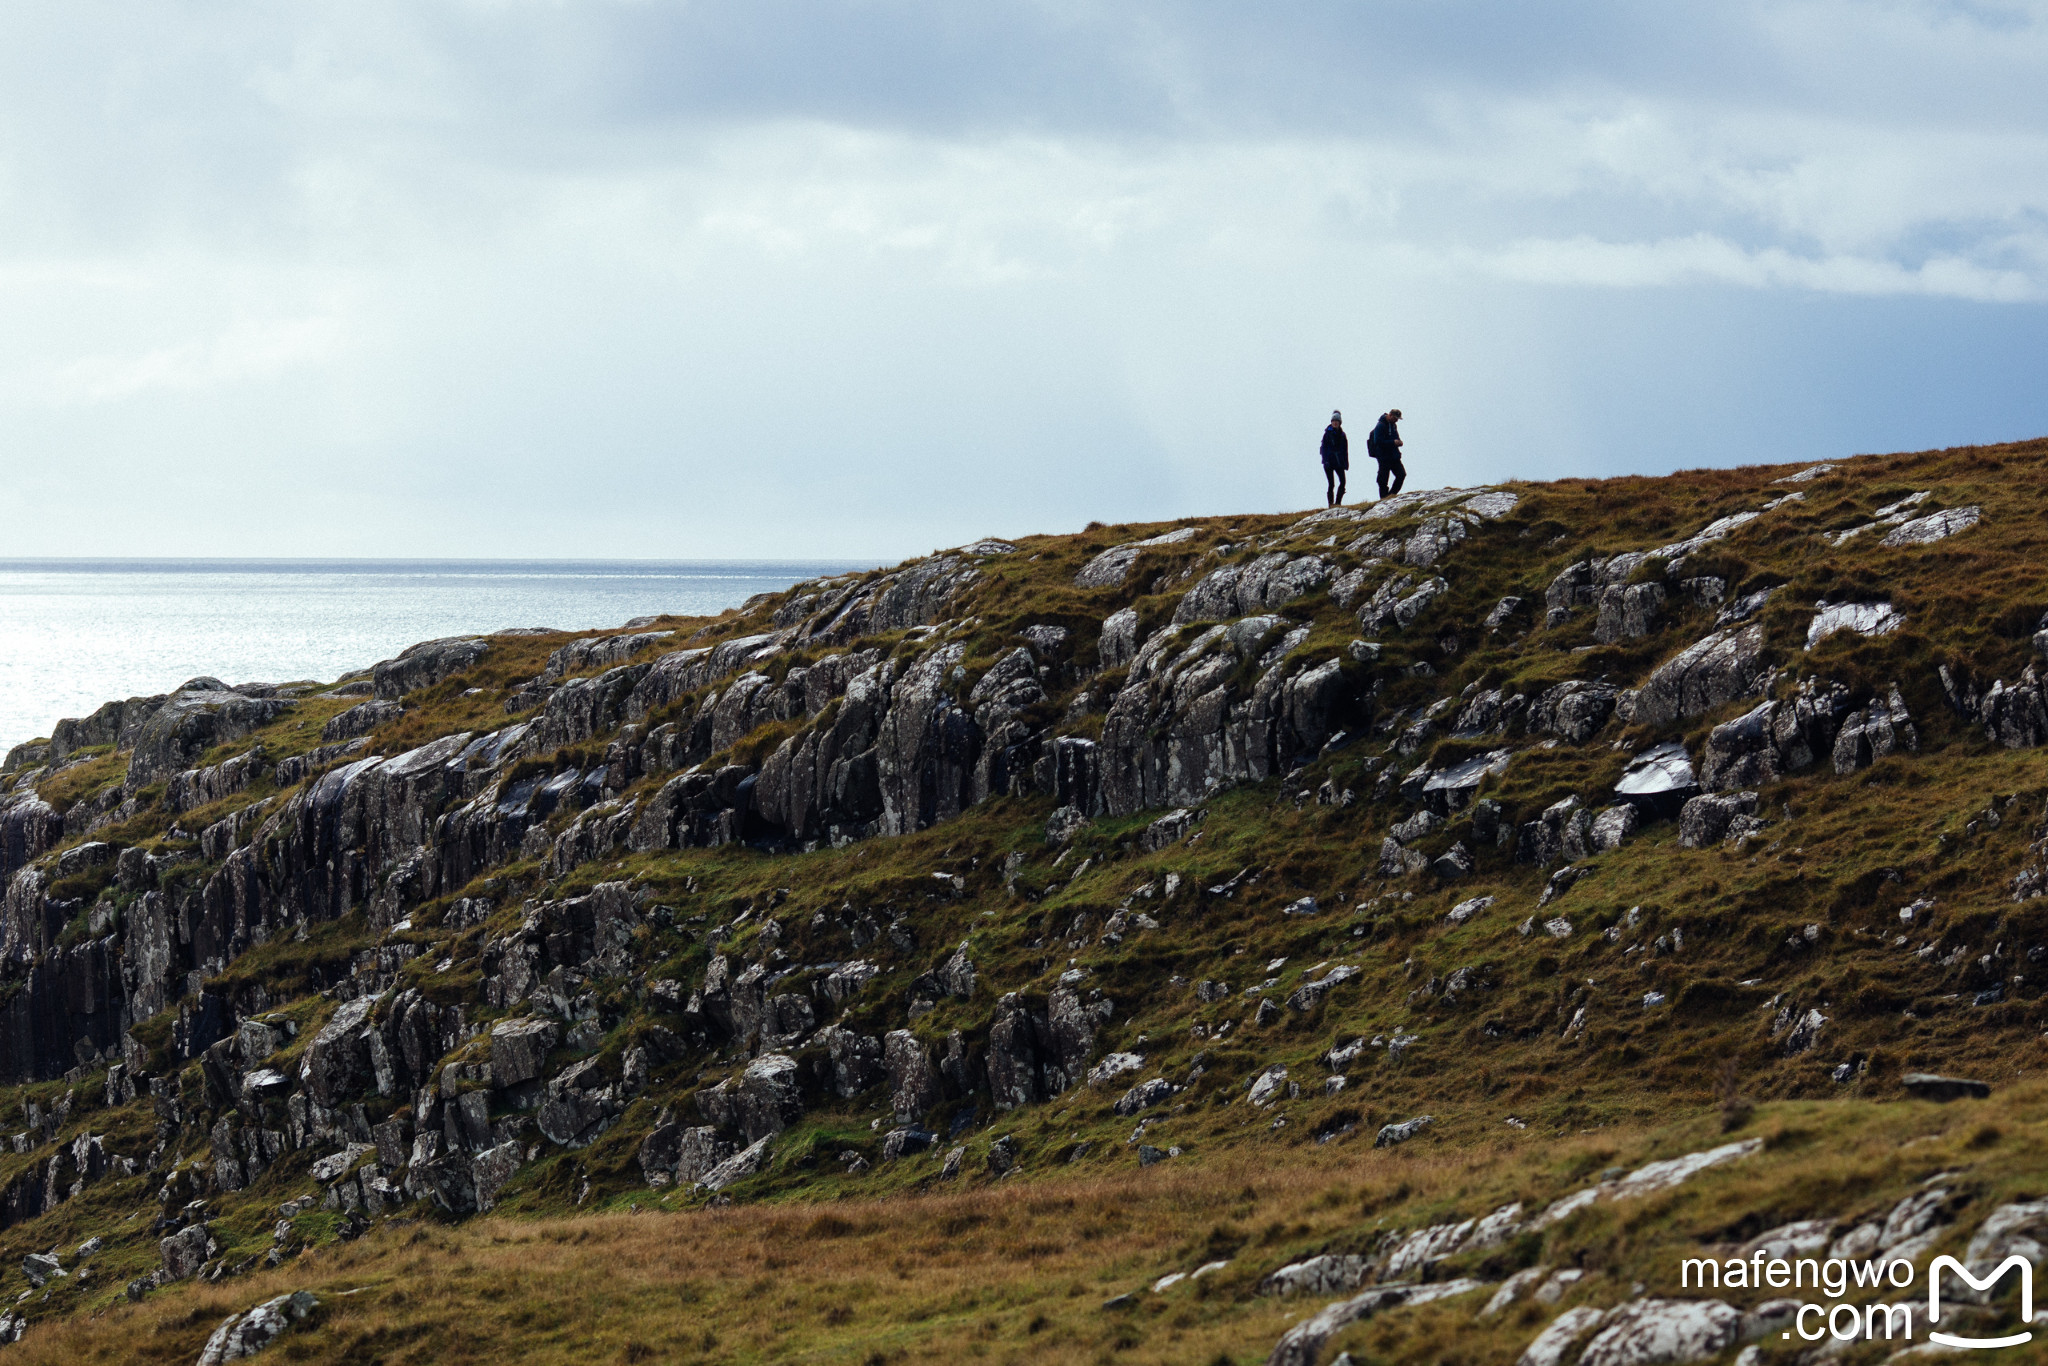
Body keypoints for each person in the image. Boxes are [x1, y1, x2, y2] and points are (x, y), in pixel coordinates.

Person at [1369, 409, 1405, 499]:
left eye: (1398, 419)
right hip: (1383, 457)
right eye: (1396, 418)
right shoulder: (1380, 426)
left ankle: (1391, 495)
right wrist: (1393, 442)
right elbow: (1378, 441)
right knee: (1383, 479)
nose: (1396, 420)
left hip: (1394, 456)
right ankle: (1384, 498)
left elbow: (1396, 437)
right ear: (1390, 415)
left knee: (1401, 474)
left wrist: (1399, 442)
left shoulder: (1393, 426)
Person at [1319, 410, 1348, 507]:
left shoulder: (1343, 435)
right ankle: (1331, 504)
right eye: (1333, 421)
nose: (1335, 422)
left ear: (1340, 422)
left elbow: (1345, 450)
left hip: (1339, 462)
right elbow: (1323, 448)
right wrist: (1325, 460)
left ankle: (1338, 503)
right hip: (1329, 462)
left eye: (1337, 421)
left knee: (1343, 482)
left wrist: (1345, 463)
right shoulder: (1327, 434)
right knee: (1331, 484)